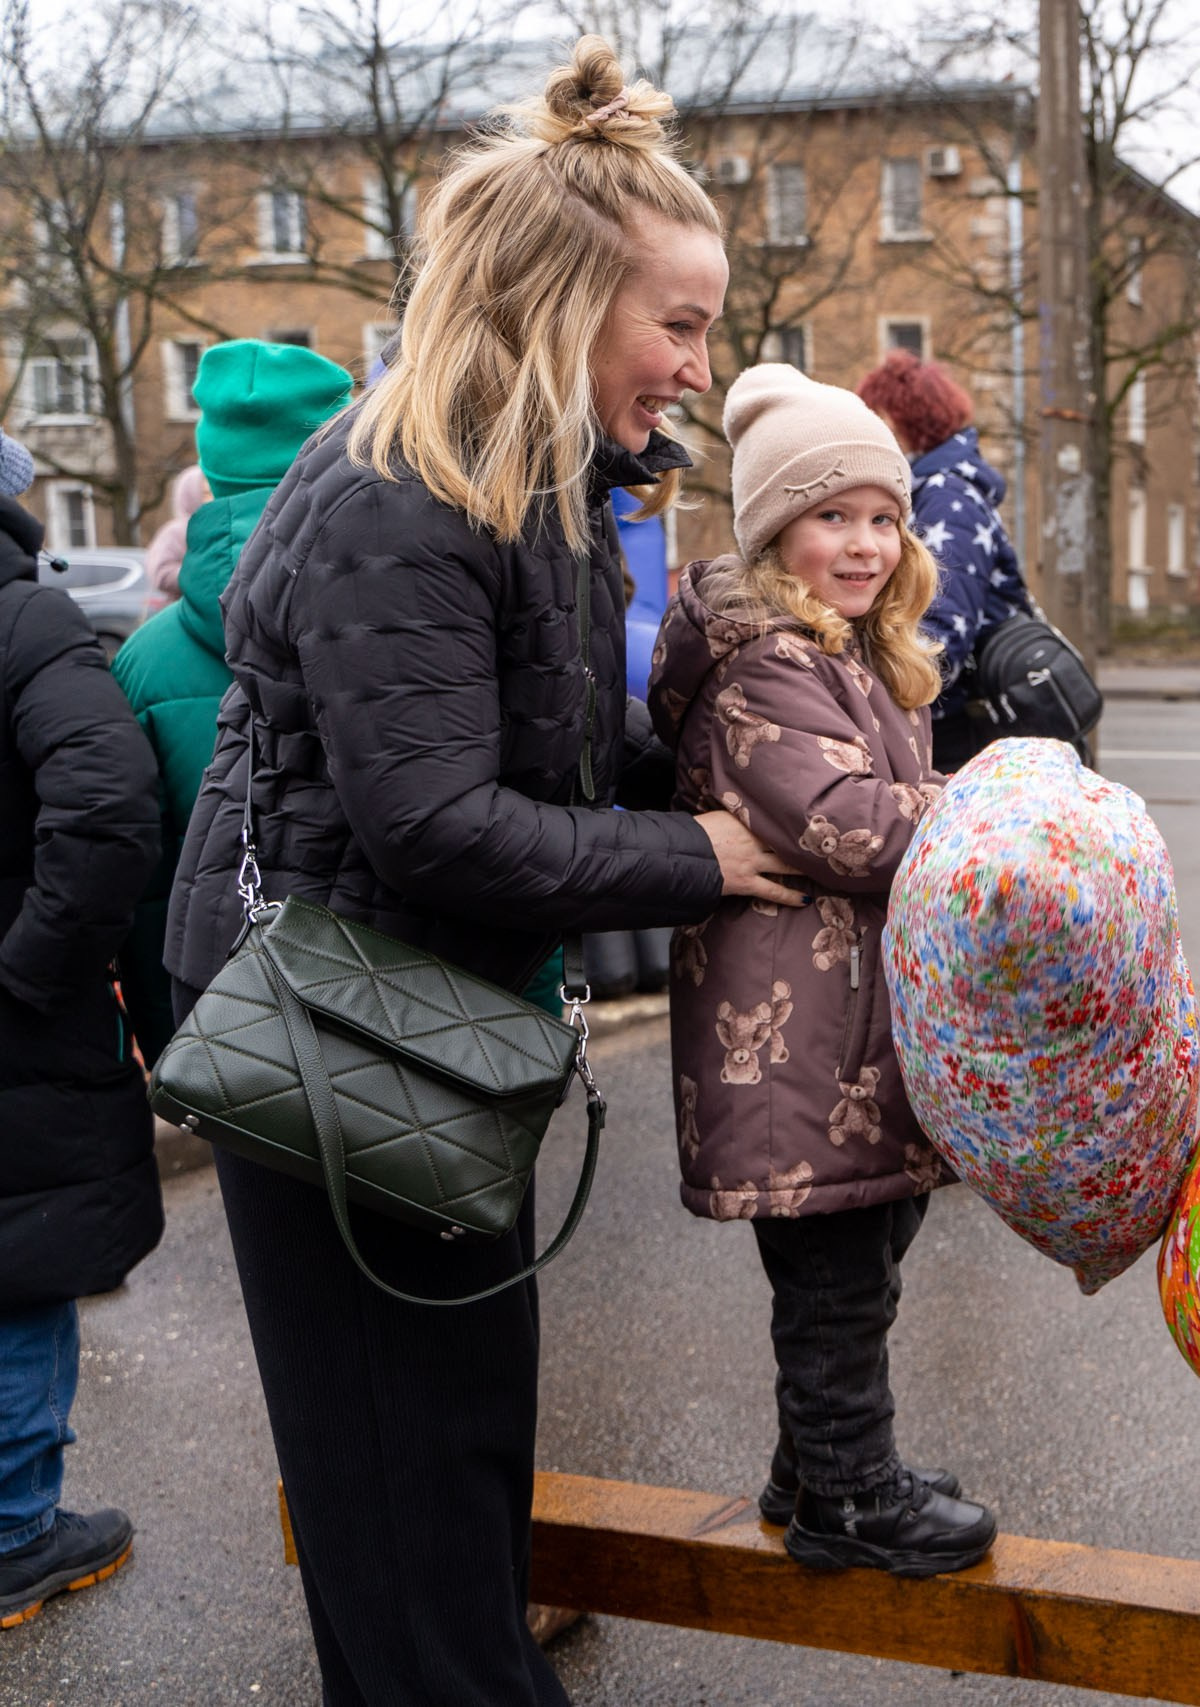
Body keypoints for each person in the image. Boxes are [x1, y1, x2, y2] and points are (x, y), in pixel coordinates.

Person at [159, 41, 802, 1705]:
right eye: (679, 323)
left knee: (446, 1464)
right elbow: (437, 820)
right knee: (402, 1487)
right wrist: (708, 856)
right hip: (342, 1031)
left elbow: (573, 756)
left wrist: (810, 777)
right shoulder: (403, 494)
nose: (698, 365)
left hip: (423, 1014)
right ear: (563, 297)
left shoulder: (542, 491)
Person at [650, 363, 996, 1579]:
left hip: (842, 1028)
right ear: (770, 529)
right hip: (793, 1031)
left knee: (866, 1249)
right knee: (836, 1283)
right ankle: (850, 1495)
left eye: (883, 517)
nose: (864, 544)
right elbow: (844, 820)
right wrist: (985, 807)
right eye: (831, 516)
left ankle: (818, 1466)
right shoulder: (761, 662)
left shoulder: (839, 646)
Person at [0, 430, 161, 1628]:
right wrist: (32, 969)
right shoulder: (28, 625)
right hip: (15, 1021)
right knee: (18, 1261)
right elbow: (107, 811)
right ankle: (16, 1532)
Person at [113, 340, 352, 1063]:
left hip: (222, 1031)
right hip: (397, 1021)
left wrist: (173, 1043)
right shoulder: (393, 612)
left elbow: (141, 881)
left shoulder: (140, 661)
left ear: (209, 462)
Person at [854, 350, 1031, 771]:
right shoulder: (931, 489)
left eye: (876, 421)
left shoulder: (947, 498)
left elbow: (938, 639)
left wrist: (870, 712)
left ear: (901, 420)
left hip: (963, 733)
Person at [142, 466, 208, 603]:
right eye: (205, 494)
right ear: (190, 494)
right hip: (187, 609)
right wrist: (200, 574)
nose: (211, 499)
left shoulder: (221, 526)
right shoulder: (175, 532)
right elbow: (160, 574)